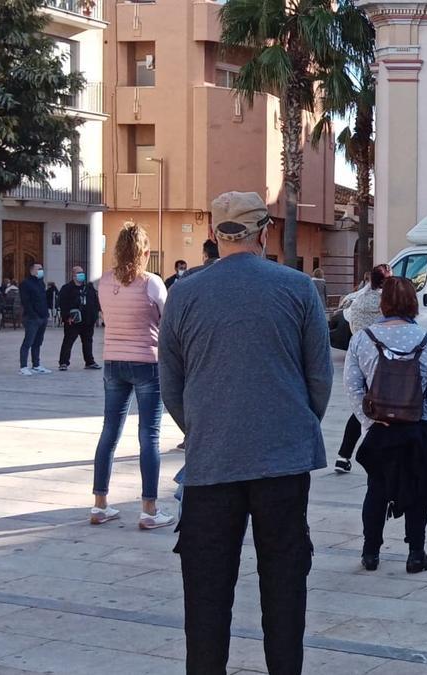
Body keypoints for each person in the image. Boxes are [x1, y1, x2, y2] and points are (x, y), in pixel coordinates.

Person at [159, 192, 332, 673]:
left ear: (214, 234)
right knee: (284, 586)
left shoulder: (184, 293)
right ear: (265, 231)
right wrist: (292, 425)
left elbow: (170, 384)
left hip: (211, 464)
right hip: (283, 462)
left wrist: (206, 427)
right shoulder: (298, 289)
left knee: (206, 596)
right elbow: (319, 378)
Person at [344, 277, 427, 573]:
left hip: (379, 432)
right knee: (419, 489)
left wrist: (370, 422)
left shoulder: (362, 339)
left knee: (376, 488)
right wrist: (424, 417)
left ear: (383, 303)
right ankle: (416, 553)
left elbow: (352, 388)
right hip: (416, 430)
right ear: (413, 303)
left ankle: (370, 552)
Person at [89, 224, 173, 529]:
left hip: (113, 361)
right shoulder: (152, 283)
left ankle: (100, 505)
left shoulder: (104, 282)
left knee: (109, 432)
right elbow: (168, 322)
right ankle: (149, 509)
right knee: (148, 435)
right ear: (145, 253)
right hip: (147, 364)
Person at [335, 265, 389, 474]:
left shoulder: (358, 301)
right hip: (384, 361)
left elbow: (352, 325)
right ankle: (367, 454)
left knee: (362, 406)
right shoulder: (385, 303)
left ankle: (343, 455)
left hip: (362, 358)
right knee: (377, 408)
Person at [57, 266, 101, 372]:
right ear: (73, 275)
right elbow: (62, 304)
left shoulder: (89, 288)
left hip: (88, 320)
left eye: (82, 272)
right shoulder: (66, 288)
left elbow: (95, 302)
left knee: (88, 341)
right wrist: (67, 317)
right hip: (73, 321)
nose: (82, 275)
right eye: (79, 273)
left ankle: (89, 362)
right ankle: (63, 362)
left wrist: (96, 315)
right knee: (68, 341)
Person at [19, 263, 51, 376]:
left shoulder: (41, 283)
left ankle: (36, 365)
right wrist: (33, 315)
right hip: (32, 318)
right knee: (28, 342)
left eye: (42, 269)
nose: (41, 271)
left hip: (43, 317)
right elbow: (25, 301)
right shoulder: (26, 284)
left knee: (38, 342)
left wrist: (46, 314)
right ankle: (23, 366)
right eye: (39, 269)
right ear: (32, 271)